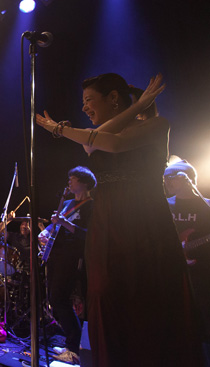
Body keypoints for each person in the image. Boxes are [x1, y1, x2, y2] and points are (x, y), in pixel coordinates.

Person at [36, 73, 203, 366]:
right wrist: (136, 106)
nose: (84, 107)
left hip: (144, 223)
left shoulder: (157, 125)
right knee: (106, 297)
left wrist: (58, 129)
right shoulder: (101, 134)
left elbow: (112, 145)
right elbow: (90, 145)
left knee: (147, 300)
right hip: (107, 225)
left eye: (89, 100)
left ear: (113, 98)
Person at [38, 166, 95, 364]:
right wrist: (46, 231)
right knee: (54, 299)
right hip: (56, 254)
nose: (69, 182)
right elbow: (56, 223)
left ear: (84, 182)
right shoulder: (69, 203)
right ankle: (71, 343)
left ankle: (73, 347)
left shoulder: (91, 206)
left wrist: (64, 222)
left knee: (59, 298)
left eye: (73, 179)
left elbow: (87, 235)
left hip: (71, 256)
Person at [164, 159, 210, 364]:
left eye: (171, 177)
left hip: (201, 274)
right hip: (169, 272)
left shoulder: (207, 206)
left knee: (203, 319)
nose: (166, 181)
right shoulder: (165, 205)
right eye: (165, 177)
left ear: (186, 178)